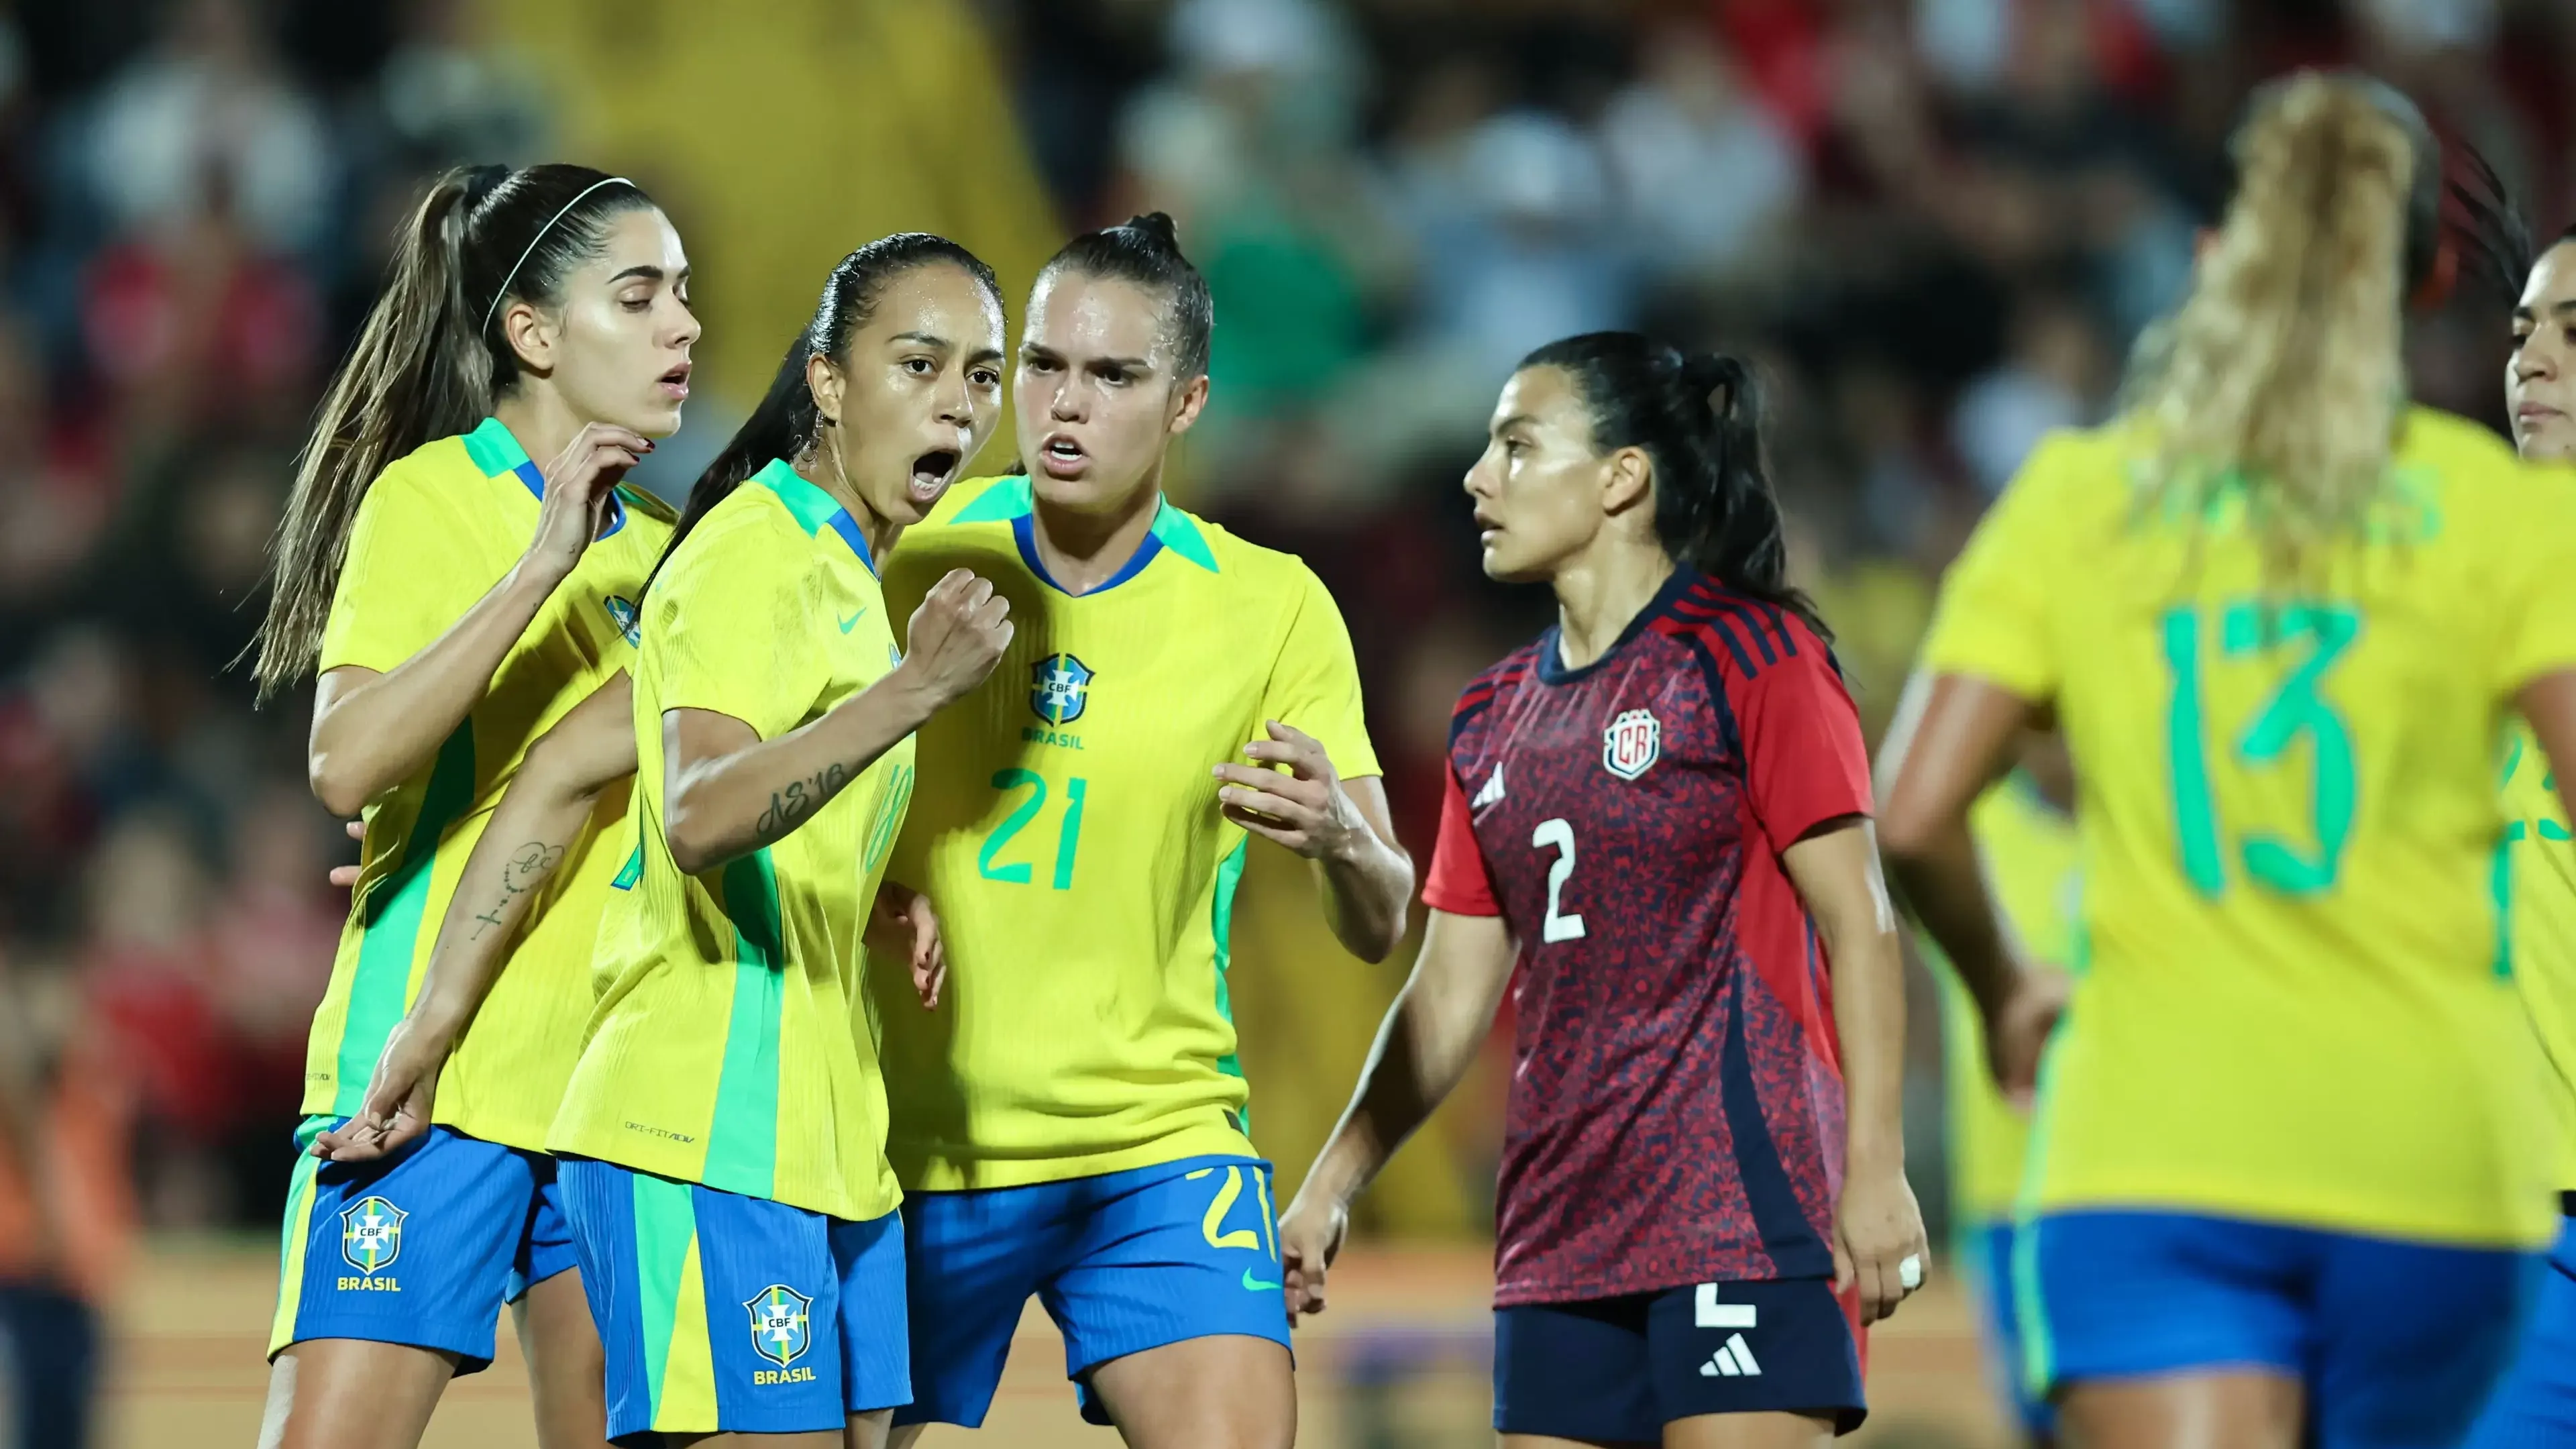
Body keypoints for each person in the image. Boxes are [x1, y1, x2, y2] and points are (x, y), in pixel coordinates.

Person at [1878, 73, 2576, 1449]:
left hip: (2152, 1147)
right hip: (2434, 1162)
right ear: (2427, 284)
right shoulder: (2497, 520)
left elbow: (1910, 818)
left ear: (2206, 261)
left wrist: (2007, 987)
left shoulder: (2080, 500)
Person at [1275, 331, 1926, 1448]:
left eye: (1518, 447)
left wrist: (1876, 1168)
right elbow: (1448, 994)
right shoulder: (1490, 718)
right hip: (1558, 1234)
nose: (1479, 478)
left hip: (1743, 1211)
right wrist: (1332, 1182)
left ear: (1623, 478)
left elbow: (1860, 923)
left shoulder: (1755, 658)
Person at [872, 213, 1413, 1449]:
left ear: (1187, 403)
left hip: (1156, 1145)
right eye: (1043, 365)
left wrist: (1339, 836)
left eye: (1114, 376)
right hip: (910, 1144)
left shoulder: (1269, 606)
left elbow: (1383, 916)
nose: (1065, 406)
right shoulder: (907, 556)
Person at [532, 232, 1010, 1448]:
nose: (957, 403)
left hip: (827, 1138)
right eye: (919, 364)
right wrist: (913, 691)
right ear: (829, 382)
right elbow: (698, 813)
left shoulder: (845, 571)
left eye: (982, 376)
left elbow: (770, 789)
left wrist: (865, 888)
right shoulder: (755, 550)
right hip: (701, 1124)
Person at [246, 162, 692, 1449]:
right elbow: (346, 763)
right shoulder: (435, 497)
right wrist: (542, 565)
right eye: (639, 297)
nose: (682, 326)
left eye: (684, 294)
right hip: (424, 1074)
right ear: (534, 334)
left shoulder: (672, 549)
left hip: (608, 1090)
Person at [2461, 210, 2576, 1449]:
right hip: (2517, 1234)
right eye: (2522, 333)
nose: (2532, 360)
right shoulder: (2463, 597)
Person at [1917, 741, 2078, 1449]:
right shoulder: (1963, 829)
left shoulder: (2156, 820)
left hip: (2136, 1178)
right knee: (2037, 1422)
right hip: (2007, 1189)